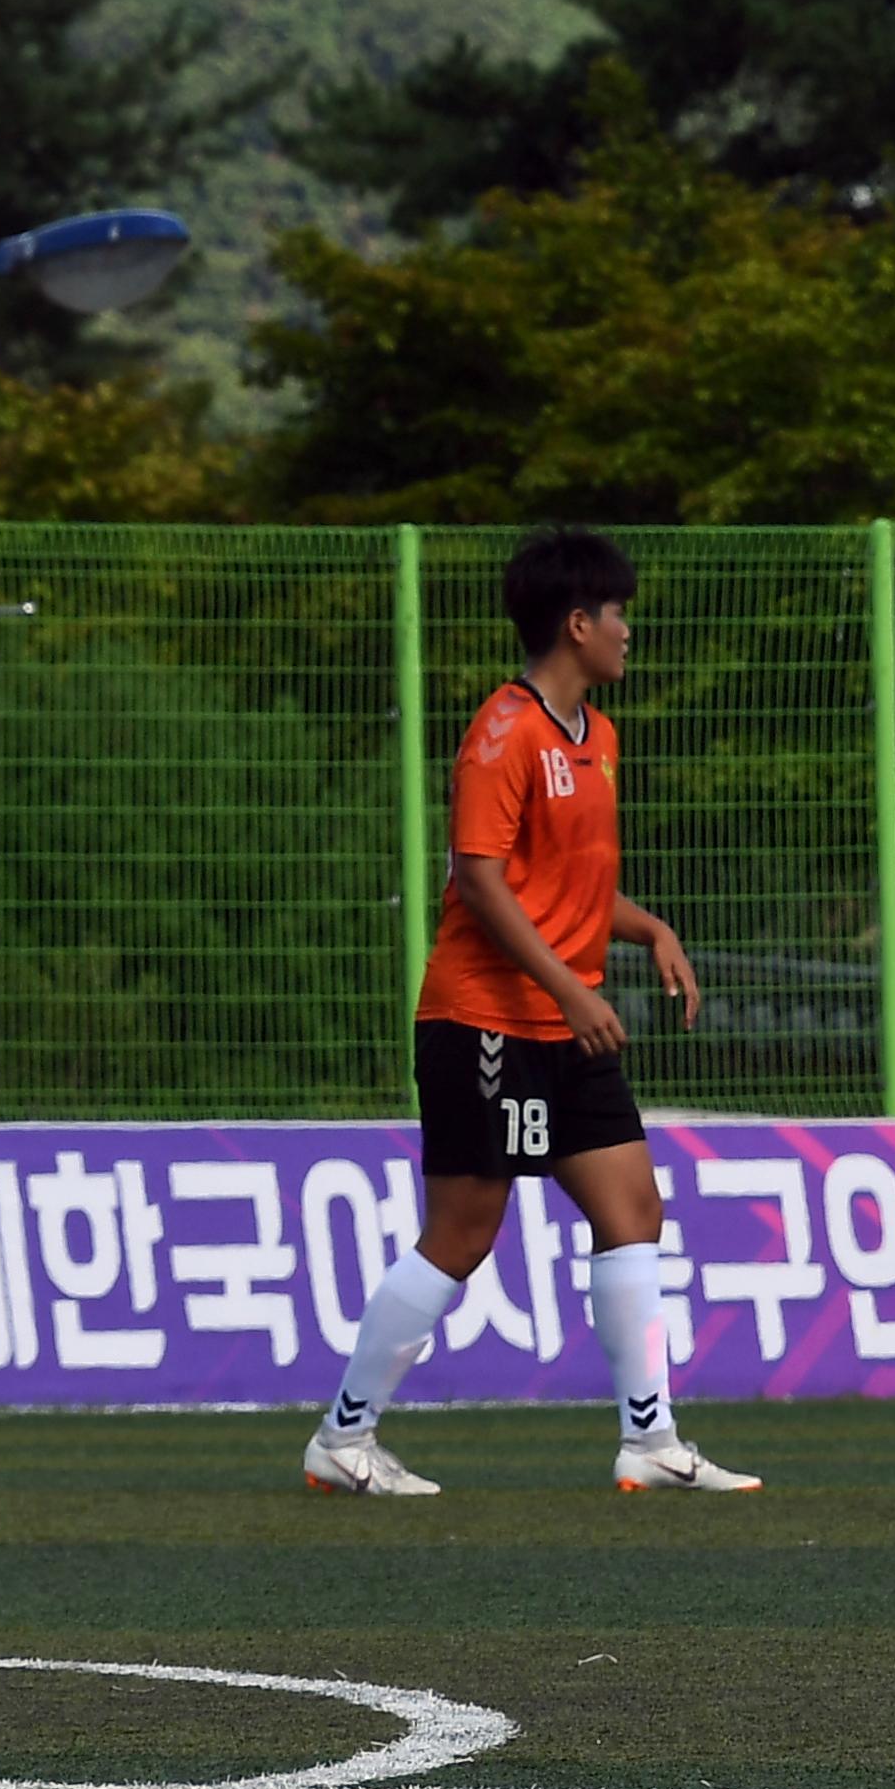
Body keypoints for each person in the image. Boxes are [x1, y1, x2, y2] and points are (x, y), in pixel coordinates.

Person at [302, 529, 762, 1496]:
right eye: (619, 614)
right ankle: (344, 1438)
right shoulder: (504, 730)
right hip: (485, 1023)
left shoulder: (599, 739)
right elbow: (478, 878)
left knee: (633, 1210)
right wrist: (570, 986)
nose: (630, 632)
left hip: (566, 1021)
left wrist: (648, 931)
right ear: (577, 623)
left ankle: (649, 1440)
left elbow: (570, 887)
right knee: (465, 1233)